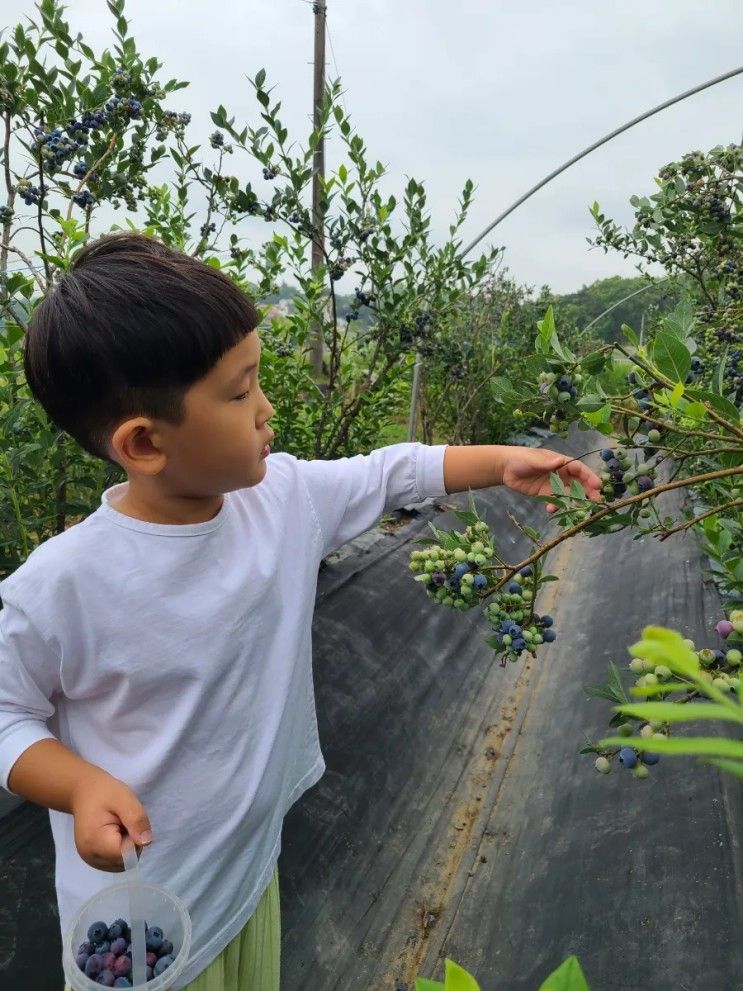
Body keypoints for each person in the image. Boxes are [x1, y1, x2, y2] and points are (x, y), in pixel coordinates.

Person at [0, 232, 600, 990]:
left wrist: (498, 460)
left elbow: (389, 473)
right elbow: (7, 711)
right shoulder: (64, 582)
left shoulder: (278, 498)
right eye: (239, 390)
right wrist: (78, 786)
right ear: (145, 442)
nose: (265, 407)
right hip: (140, 919)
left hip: (246, 873)